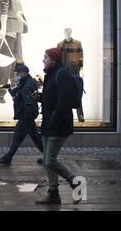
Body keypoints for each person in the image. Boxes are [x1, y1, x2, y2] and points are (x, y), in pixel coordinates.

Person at [32, 48, 80, 205]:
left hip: (58, 124)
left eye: (45, 57)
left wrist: (54, 117)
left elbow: (64, 99)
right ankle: (53, 193)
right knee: (47, 160)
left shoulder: (62, 74)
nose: (43, 60)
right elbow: (52, 98)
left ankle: (75, 181)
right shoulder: (50, 75)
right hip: (49, 123)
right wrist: (40, 97)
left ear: (53, 59)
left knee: (50, 160)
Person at [0, 64, 43, 166]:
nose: (16, 74)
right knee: (35, 137)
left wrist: (26, 117)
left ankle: (8, 158)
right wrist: (9, 88)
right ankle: (48, 157)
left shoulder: (28, 84)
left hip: (26, 115)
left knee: (18, 136)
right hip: (27, 115)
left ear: (24, 73)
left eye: (18, 73)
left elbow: (28, 102)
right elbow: (18, 95)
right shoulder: (24, 82)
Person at [0, 0, 28, 104]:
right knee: (4, 62)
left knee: (16, 62)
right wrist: (3, 29)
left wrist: (20, 31)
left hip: (16, 30)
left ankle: (15, 90)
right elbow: (4, 8)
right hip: (8, 30)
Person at [57, 28, 85, 122]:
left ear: (71, 32)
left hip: (74, 71)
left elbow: (81, 56)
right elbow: (57, 57)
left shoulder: (77, 43)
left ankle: (80, 115)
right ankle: (64, 117)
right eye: (65, 32)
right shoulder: (60, 44)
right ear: (64, 33)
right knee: (63, 94)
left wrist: (81, 68)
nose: (67, 33)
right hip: (63, 72)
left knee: (77, 92)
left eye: (68, 32)